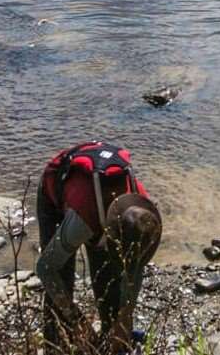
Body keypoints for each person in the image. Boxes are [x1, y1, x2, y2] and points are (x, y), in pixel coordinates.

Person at [35, 142, 162, 353]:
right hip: (57, 195)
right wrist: (78, 320)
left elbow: (135, 269)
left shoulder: (142, 216)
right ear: (111, 234)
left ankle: (109, 339)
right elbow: (45, 268)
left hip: (99, 210)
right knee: (62, 279)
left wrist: (125, 316)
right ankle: (55, 344)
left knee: (108, 278)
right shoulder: (85, 218)